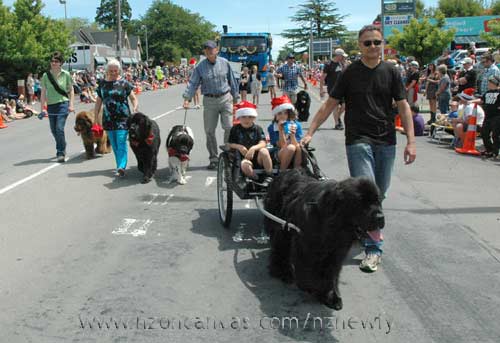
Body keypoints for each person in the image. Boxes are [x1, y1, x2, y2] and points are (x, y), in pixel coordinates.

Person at [302, 25, 416, 273]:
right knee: (368, 194)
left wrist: (411, 140)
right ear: (359, 45)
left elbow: (404, 106)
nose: (373, 47)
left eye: (377, 42)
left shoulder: (392, 71)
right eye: (367, 43)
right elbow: (329, 104)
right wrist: (310, 131)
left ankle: (359, 228)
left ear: (382, 44)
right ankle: (373, 249)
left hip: (386, 140)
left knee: (380, 193)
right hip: (358, 139)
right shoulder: (349, 73)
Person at [183, 40, 240, 170]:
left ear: (217, 50)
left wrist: (236, 97)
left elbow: (232, 80)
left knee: (229, 127)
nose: (209, 51)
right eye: (206, 49)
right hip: (209, 101)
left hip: (225, 98)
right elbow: (193, 83)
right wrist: (187, 98)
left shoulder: (225, 63)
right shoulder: (200, 67)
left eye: (211, 49)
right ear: (204, 51)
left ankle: (228, 153)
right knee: (209, 131)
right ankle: (213, 158)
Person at [94, 59, 138, 177]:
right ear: (107, 71)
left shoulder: (124, 83)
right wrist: (95, 119)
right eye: (111, 70)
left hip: (123, 118)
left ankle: (121, 166)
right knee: (114, 144)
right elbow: (98, 102)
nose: (113, 73)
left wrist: (135, 108)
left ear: (119, 71)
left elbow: (133, 98)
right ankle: (119, 164)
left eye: (115, 71)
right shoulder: (102, 84)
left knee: (121, 141)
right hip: (108, 119)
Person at [228, 101, 273, 187]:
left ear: (253, 118)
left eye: (250, 117)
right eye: (244, 117)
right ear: (239, 118)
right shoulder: (235, 129)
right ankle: (256, 179)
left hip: (258, 156)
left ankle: (269, 176)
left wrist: (253, 148)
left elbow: (263, 142)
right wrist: (240, 147)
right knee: (245, 166)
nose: (246, 120)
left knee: (264, 151)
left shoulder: (257, 129)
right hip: (244, 157)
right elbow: (230, 144)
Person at [40, 51, 75, 163]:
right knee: (53, 130)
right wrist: (42, 109)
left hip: (63, 104)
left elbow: (71, 90)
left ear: (61, 63)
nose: (53, 63)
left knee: (59, 128)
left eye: (56, 61)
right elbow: (43, 93)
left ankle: (60, 152)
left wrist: (71, 105)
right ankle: (62, 143)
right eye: (52, 61)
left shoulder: (66, 74)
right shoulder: (46, 76)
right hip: (51, 105)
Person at [268, 95, 303, 170]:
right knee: (291, 148)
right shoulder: (272, 127)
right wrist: (281, 131)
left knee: (297, 147)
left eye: (285, 113)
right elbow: (281, 146)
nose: (282, 116)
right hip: (278, 152)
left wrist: (292, 135)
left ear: (289, 114)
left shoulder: (296, 125)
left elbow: (297, 144)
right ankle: (282, 172)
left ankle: (297, 171)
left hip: (295, 151)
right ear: (276, 115)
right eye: (280, 113)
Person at [320, 48, 348, 130]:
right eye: (342, 56)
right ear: (338, 55)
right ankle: (337, 124)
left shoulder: (342, 64)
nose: (343, 57)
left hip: (343, 88)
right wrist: (321, 89)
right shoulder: (329, 64)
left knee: (344, 105)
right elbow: (322, 77)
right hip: (332, 88)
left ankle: (337, 117)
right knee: (335, 106)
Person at [474, 75, 500, 158]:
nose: (489, 84)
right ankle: (489, 150)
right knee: (484, 133)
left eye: (490, 82)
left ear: (495, 83)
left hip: (497, 116)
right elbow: (481, 100)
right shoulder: (487, 92)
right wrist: (470, 101)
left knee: (495, 135)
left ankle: (496, 152)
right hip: (487, 116)